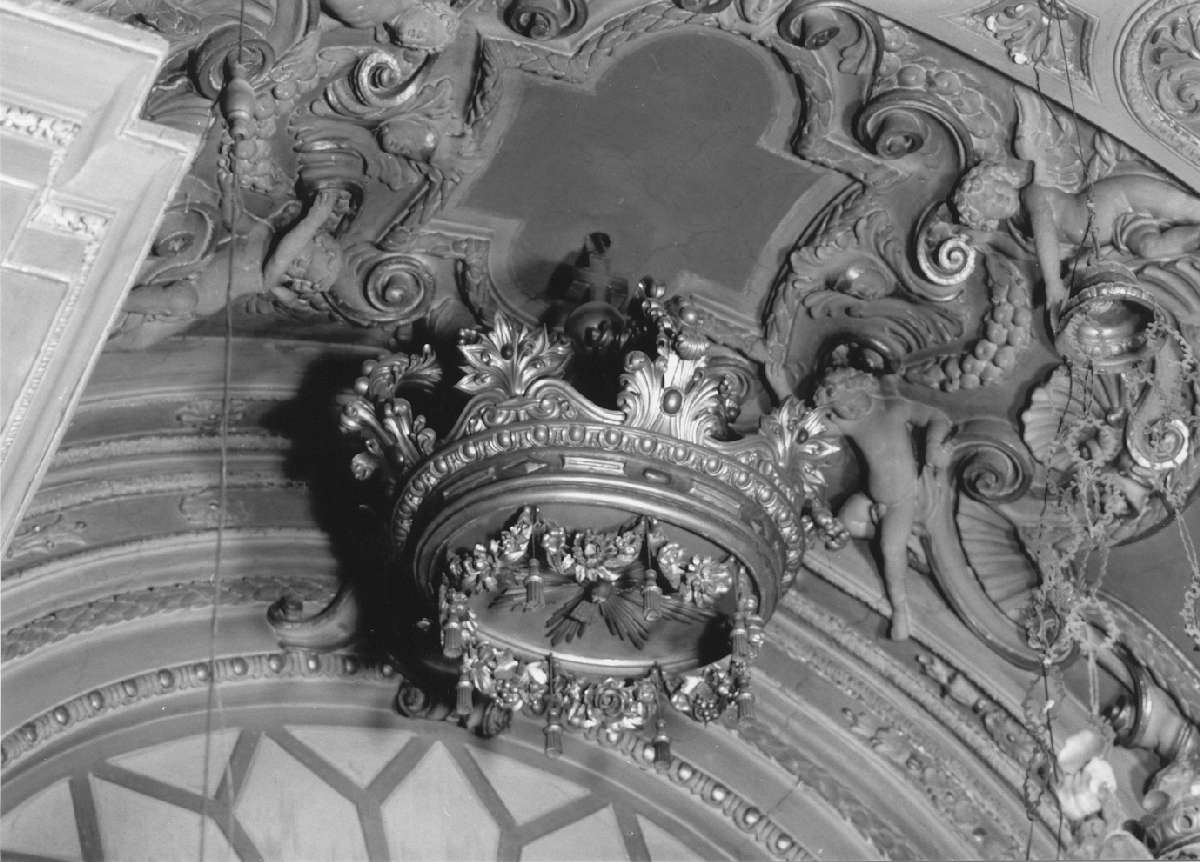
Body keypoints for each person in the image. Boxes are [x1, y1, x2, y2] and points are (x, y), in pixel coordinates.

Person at [814, 368, 953, 640]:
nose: (847, 411)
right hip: (871, 500)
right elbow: (808, 429)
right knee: (844, 523)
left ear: (859, 387)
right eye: (838, 409)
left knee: (890, 551)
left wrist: (934, 447)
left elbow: (937, 416)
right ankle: (892, 535)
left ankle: (900, 610)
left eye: (847, 403)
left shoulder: (893, 409)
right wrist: (783, 390)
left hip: (902, 501)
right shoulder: (848, 423)